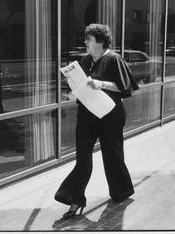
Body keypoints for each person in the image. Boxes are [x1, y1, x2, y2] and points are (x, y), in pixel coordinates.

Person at [55, 23, 139, 219]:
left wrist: (101, 84)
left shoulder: (113, 59)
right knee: (82, 159)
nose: (85, 42)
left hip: (110, 117)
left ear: (100, 42)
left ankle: (122, 191)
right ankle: (75, 200)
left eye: (89, 39)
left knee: (113, 156)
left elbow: (126, 88)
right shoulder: (84, 60)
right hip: (86, 116)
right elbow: (81, 84)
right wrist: (73, 86)